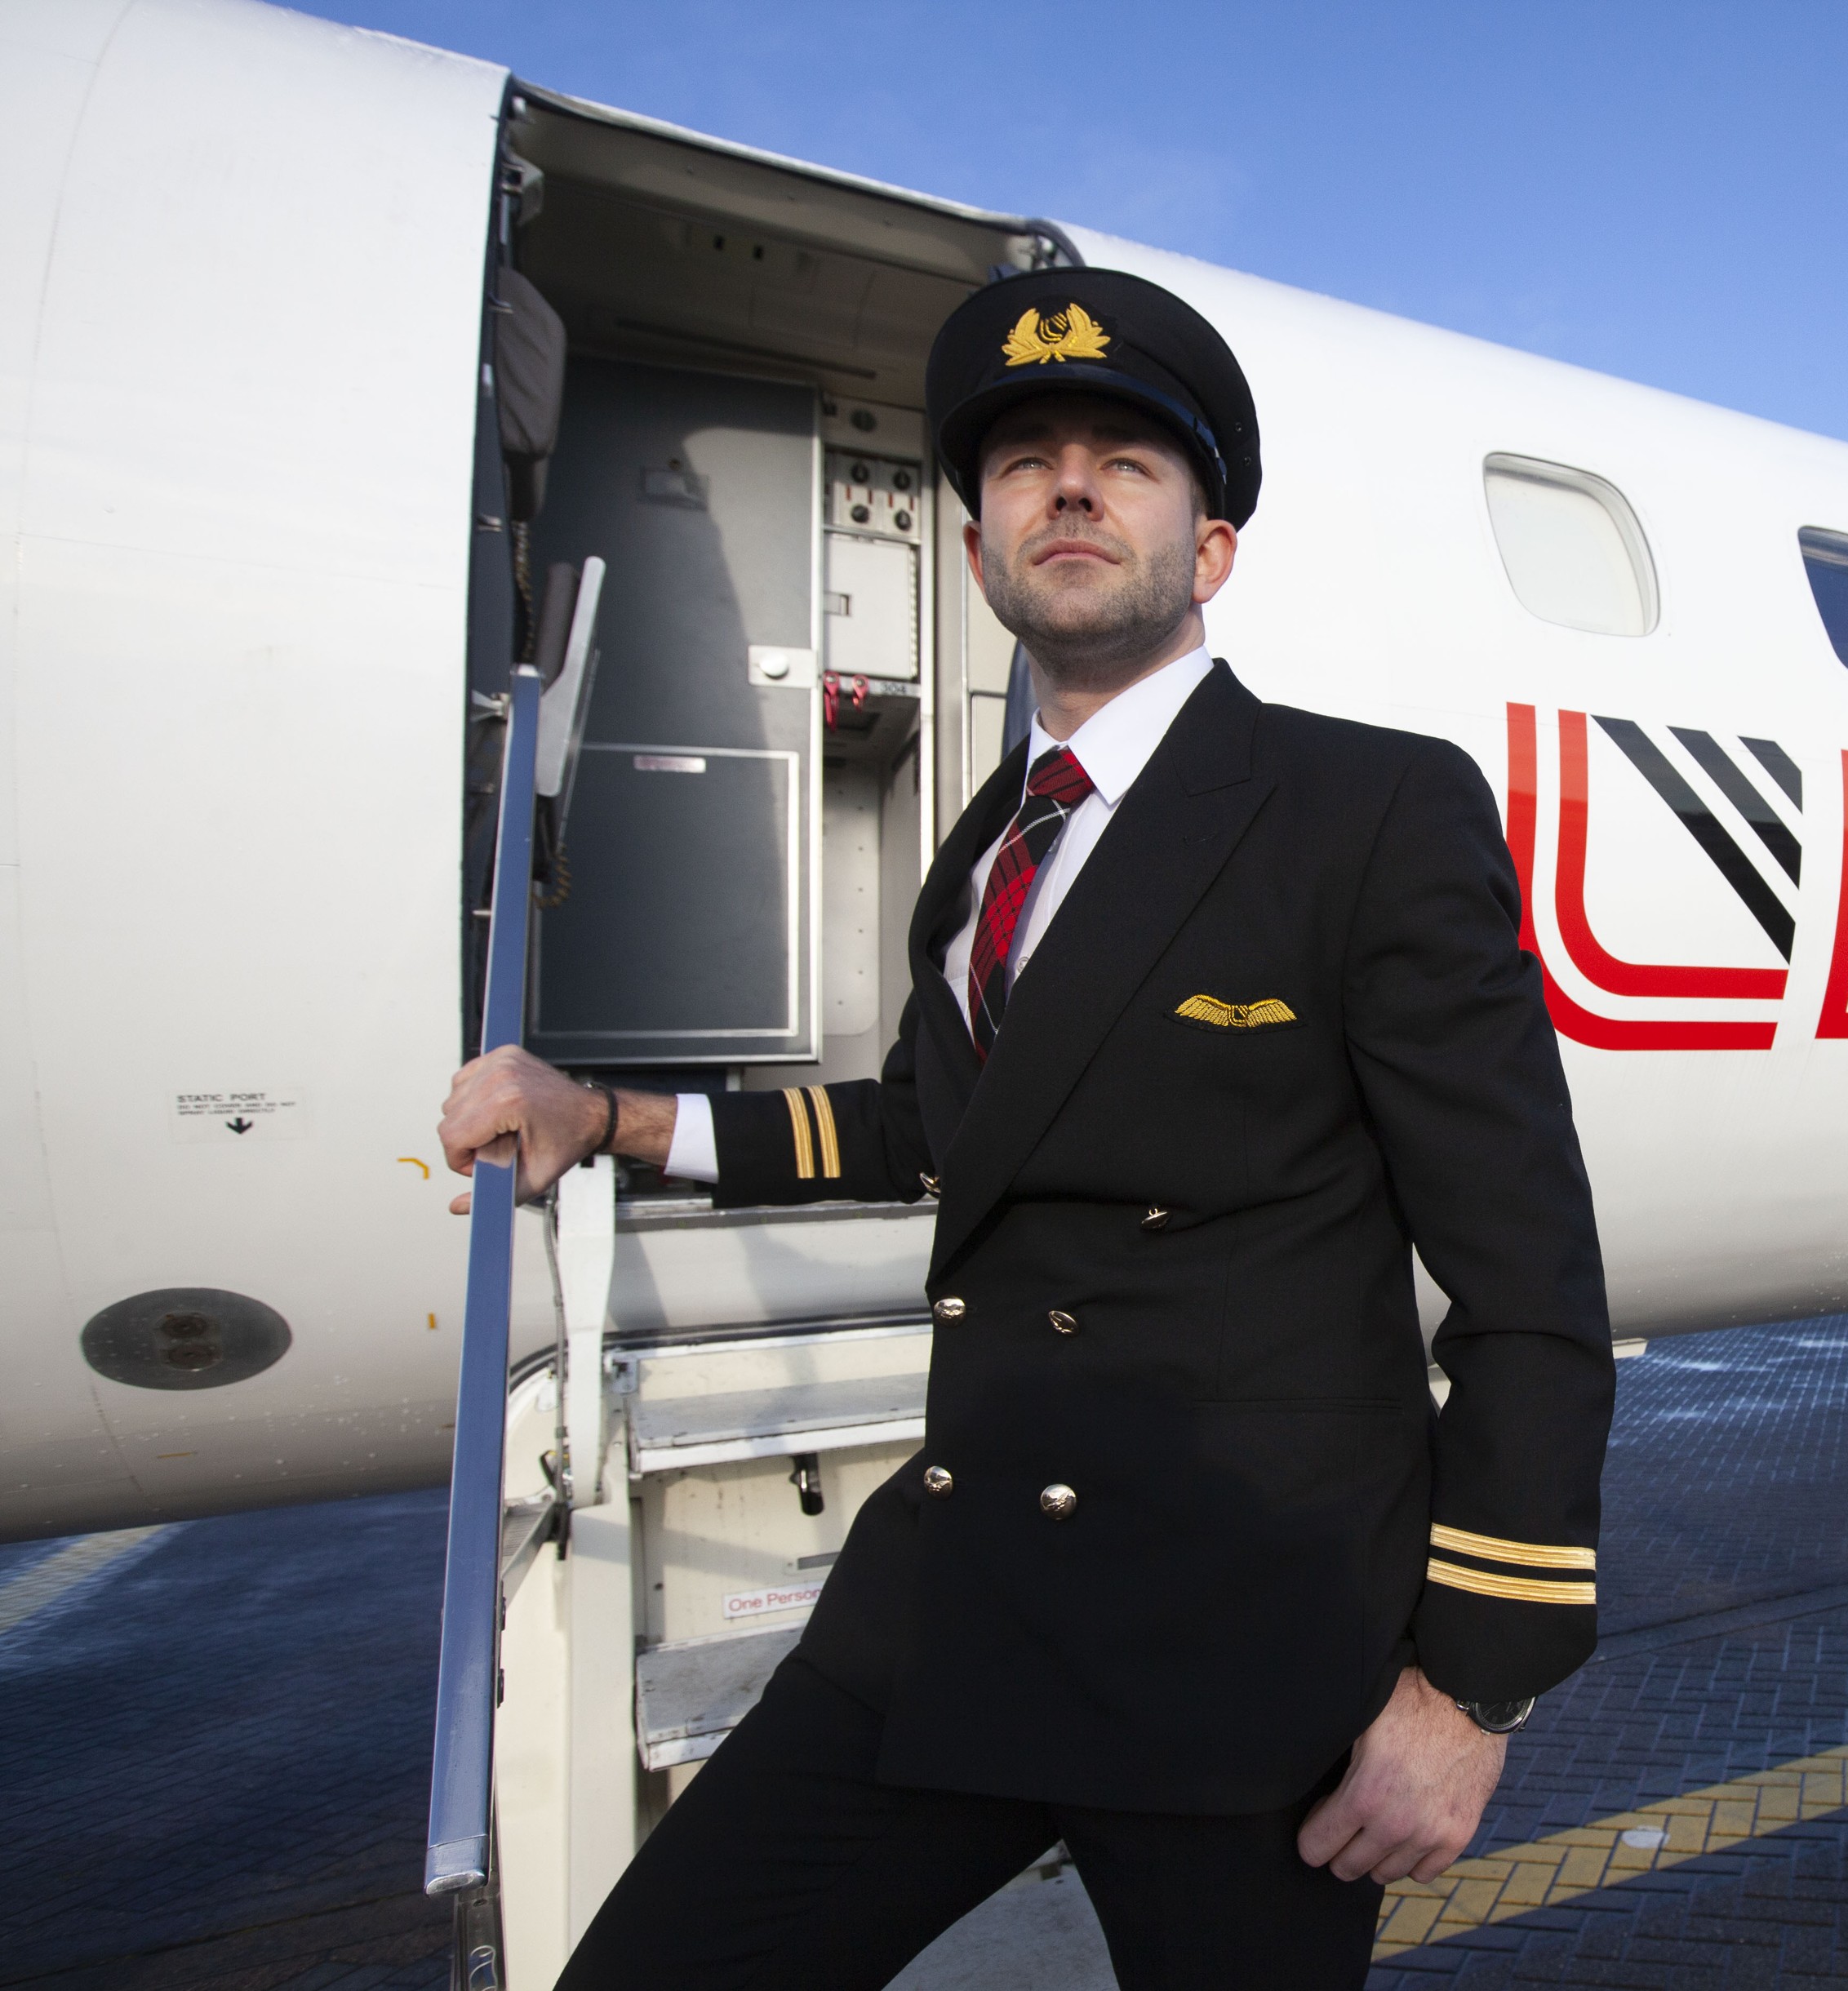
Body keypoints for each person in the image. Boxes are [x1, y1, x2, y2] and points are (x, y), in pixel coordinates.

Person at [438, 268, 1614, 1991]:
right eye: (1022, 465)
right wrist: (607, 1114)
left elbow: (1529, 1277)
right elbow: (930, 1123)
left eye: (1125, 462)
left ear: (1211, 548)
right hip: (952, 1604)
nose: (1069, 487)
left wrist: (1471, 1688)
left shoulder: (1365, 807)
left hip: (1242, 1656)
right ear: (981, 545)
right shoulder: (991, 850)